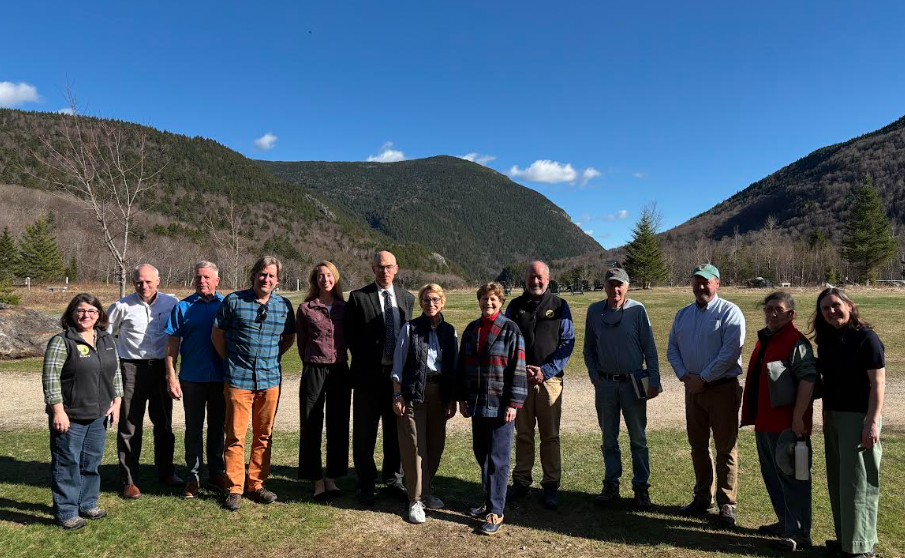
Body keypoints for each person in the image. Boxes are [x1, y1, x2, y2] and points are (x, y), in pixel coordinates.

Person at [212, 256, 296, 511]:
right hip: (239, 379)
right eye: (262, 274)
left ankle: (256, 484)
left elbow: (289, 338)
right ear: (254, 275)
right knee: (235, 435)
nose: (266, 279)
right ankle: (234, 488)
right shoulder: (234, 300)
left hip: (270, 379)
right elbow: (218, 335)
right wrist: (230, 359)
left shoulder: (283, 306)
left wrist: (272, 357)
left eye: (271, 275)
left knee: (264, 435)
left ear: (277, 280)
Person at [666, 263, 745, 526]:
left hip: (721, 388)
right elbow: (672, 349)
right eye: (697, 281)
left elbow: (730, 351)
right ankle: (702, 497)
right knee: (698, 446)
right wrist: (684, 376)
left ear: (717, 283)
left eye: (706, 281)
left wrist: (704, 378)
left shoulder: (730, 312)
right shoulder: (683, 314)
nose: (701, 286)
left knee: (725, 447)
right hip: (693, 389)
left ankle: (727, 503)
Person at [811, 288, 885, 557]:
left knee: (859, 483)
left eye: (836, 305)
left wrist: (871, 423)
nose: (831, 311)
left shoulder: (867, 338)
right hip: (833, 417)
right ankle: (846, 540)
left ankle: (861, 548)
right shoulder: (828, 340)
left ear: (850, 306)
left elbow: (878, 384)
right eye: (825, 308)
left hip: (859, 418)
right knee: (840, 481)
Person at [740, 291, 816, 552]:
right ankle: (785, 523)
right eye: (769, 308)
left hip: (790, 428)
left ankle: (799, 535)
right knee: (773, 476)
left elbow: (808, 380)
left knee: (795, 478)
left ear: (791, 314)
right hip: (765, 424)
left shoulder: (797, 342)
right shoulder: (766, 339)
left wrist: (798, 418)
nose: (772, 313)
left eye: (778, 309)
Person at [43, 293, 122, 530]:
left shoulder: (107, 339)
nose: (86, 315)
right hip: (71, 415)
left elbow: (115, 372)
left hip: (99, 414)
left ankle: (88, 503)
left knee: (91, 462)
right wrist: (58, 411)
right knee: (67, 462)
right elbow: (50, 378)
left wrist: (116, 401)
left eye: (91, 311)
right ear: (71, 313)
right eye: (80, 310)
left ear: (99, 315)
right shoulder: (62, 341)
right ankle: (66, 510)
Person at [584, 268, 660, 509]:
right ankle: (611, 485)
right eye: (611, 284)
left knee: (638, 438)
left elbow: (650, 347)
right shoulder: (594, 311)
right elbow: (588, 348)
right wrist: (594, 376)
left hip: (633, 384)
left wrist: (654, 379)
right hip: (605, 385)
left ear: (627, 286)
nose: (615, 289)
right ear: (604, 286)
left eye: (620, 285)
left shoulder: (637, 310)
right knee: (608, 438)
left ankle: (641, 488)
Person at [345, 250, 415, 506]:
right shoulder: (358, 298)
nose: (384, 271)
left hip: (396, 380)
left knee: (395, 432)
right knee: (364, 433)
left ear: (396, 269)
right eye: (379, 267)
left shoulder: (407, 299)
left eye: (389, 267)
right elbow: (350, 337)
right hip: (367, 379)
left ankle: (393, 479)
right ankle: (365, 483)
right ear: (372, 269)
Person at [457, 282, 527, 535]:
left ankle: (496, 511)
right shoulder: (471, 329)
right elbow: (462, 368)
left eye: (493, 300)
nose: (488, 303)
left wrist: (514, 403)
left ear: (501, 302)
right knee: (481, 453)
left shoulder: (511, 330)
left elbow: (518, 369)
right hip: (477, 404)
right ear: (479, 301)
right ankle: (488, 498)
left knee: (498, 459)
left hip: (501, 406)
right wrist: (461, 398)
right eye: (485, 299)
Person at [107, 263, 181, 499]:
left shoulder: (172, 303)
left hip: (161, 368)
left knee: (164, 424)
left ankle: (166, 472)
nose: (144, 286)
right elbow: (105, 337)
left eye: (149, 281)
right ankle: (130, 480)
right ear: (134, 282)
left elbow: (178, 334)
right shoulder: (121, 306)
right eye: (139, 281)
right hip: (130, 368)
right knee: (129, 426)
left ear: (158, 281)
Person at [505, 261, 574, 510]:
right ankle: (521, 481)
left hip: (550, 381)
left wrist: (545, 371)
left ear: (548, 279)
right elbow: (506, 340)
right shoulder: (514, 307)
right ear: (526, 279)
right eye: (532, 277)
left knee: (550, 435)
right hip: (520, 380)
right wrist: (520, 369)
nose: (536, 281)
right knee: (523, 433)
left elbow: (567, 342)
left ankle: (551, 485)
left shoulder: (559, 306)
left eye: (540, 277)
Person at [391, 283, 458, 523]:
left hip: (439, 394)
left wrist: (452, 398)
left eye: (435, 299)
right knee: (414, 447)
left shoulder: (450, 332)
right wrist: (397, 395)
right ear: (421, 303)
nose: (431, 304)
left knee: (435, 446)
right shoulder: (410, 329)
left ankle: (426, 491)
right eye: (427, 300)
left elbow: (452, 368)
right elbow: (398, 363)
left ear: (442, 302)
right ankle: (415, 499)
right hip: (412, 394)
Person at [164, 261, 228, 499]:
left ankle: (216, 473)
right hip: (191, 378)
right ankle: (193, 477)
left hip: (221, 378)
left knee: (218, 428)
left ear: (217, 280)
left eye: (207, 277)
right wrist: (171, 375)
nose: (202, 281)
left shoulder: (226, 304)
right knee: (193, 429)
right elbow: (172, 345)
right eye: (198, 277)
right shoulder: (182, 307)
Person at [296, 261, 351, 500]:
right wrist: (311, 363)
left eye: (329, 275)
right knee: (311, 424)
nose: (325, 279)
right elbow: (302, 342)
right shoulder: (306, 308)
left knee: (338, 425)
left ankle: (332, 478)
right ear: (314, 280)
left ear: (335, 278)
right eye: (320, 276)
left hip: (340, 371)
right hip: (314, 369)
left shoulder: (346, 308)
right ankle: (316, 480)